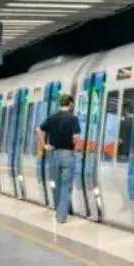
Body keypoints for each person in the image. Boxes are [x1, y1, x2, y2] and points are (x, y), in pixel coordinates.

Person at [38, 94, 81, 223]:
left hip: (54, 154)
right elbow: (76, 138)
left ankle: (57, 209)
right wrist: (74, 148)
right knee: (65, 186)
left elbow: (38, 129)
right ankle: (61, 216)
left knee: (56, 184)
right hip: (67, 154)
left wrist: (44, 145)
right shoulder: (73, 119)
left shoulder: (51, 118)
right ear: (70, 104)